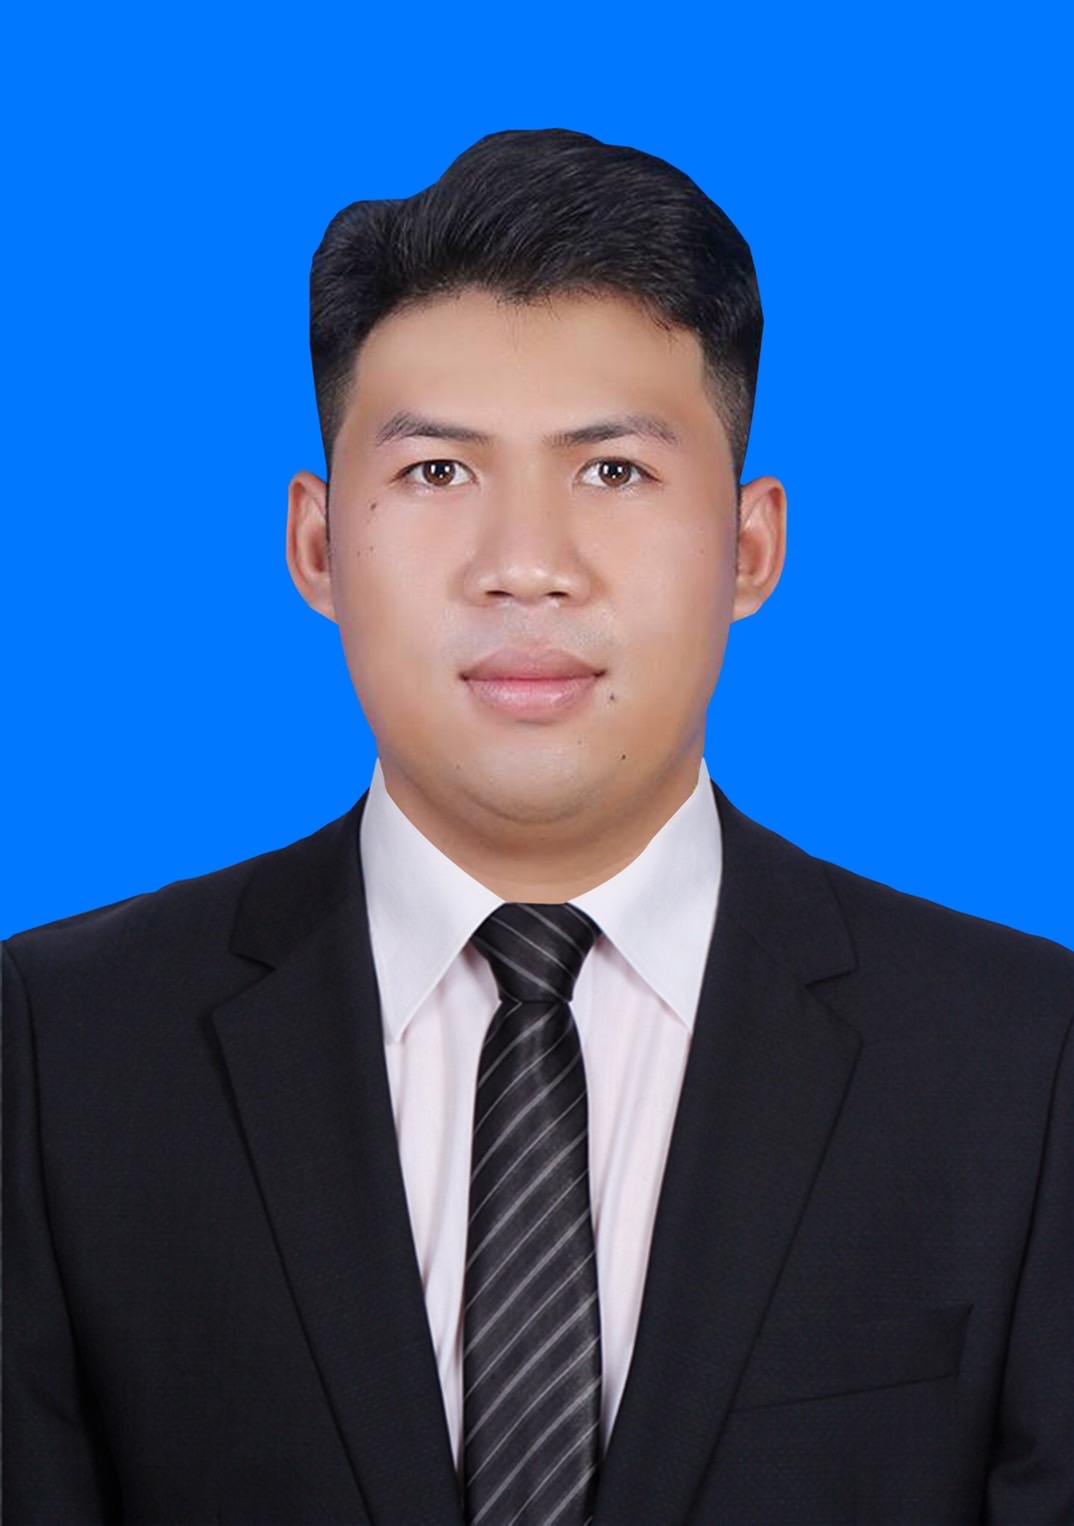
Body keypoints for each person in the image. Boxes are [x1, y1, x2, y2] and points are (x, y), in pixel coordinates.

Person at [3, 128, 1071, 1526]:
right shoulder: (57, 1048)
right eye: (438, 473)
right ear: (316, 544)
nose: (525, 567)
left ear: (749, 546)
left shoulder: (1024, 1057)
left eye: (612, 471)